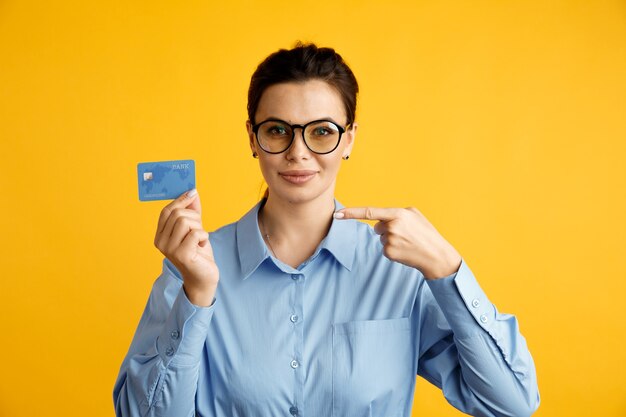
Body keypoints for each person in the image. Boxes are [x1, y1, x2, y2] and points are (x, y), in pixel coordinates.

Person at [113, 42, 540, 417]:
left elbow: (512, 402)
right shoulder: (193, 267)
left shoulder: (401, 273)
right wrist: (196, 297)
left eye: (321, 132)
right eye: (277, 130)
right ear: (251, 137)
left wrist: (448, 269)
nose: (298, 153)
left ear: (350, 139)